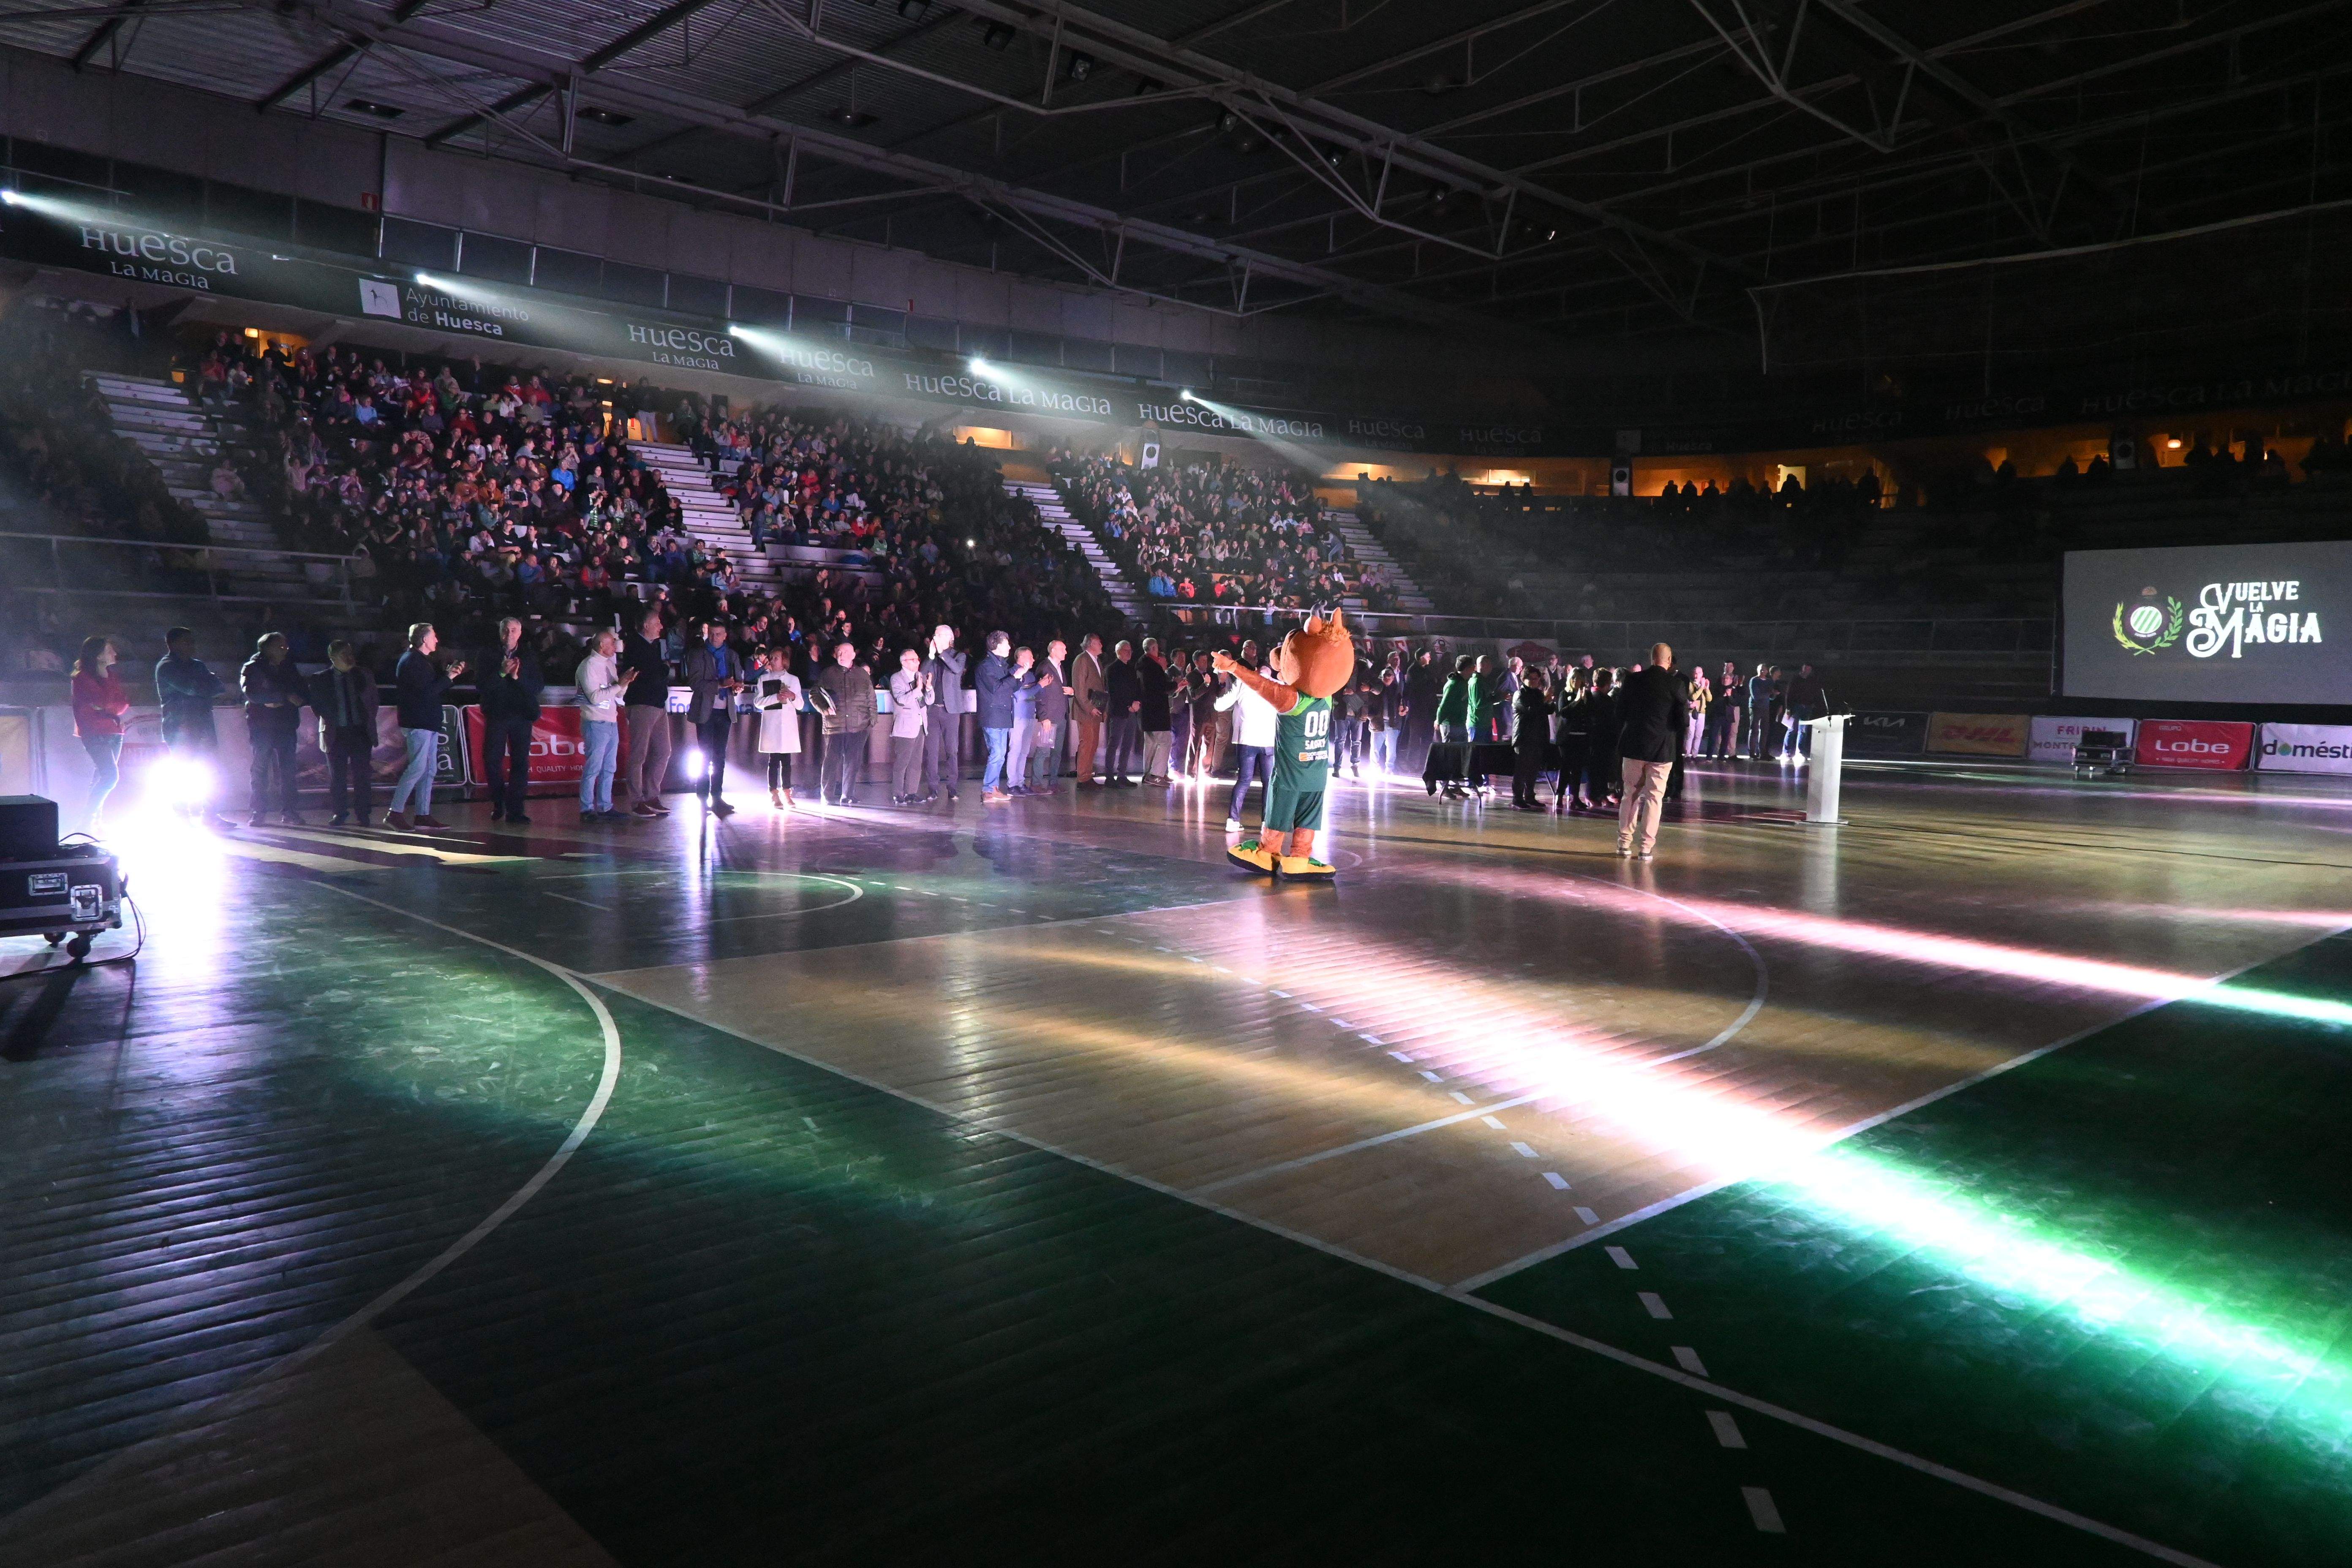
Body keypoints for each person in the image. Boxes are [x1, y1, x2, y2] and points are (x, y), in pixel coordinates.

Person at [1616, 642, 1690, 862]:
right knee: (1654, 799)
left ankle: (1623, 844)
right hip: (1662, 750)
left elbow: (1620, 713)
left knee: (1630, 795)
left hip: (1634, 747)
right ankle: (1646, 848)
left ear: (1651, 659)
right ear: (1668, 661)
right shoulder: (1675, 684)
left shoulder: (1633, 680)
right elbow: (1683, 721)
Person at [388, 622, 461, 830]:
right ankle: (395, 812)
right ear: (424, 639)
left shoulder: (419, 661)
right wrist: (448, 678)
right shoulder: (412, 661)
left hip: (426, 721)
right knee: (419, 767)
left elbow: (428, 689)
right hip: (418, 722)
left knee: (429, 769)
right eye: (434, 636)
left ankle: (423, 814)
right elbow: (425, 692)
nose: (437, 640)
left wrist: (448, 676)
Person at [154, 626, 229, 825]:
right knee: (183, 771)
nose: (192, 646)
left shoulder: (198, 665)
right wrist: (206, 686)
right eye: (187, 642)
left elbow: (218, 686)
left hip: (203, 724)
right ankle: (181, 815)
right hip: (180, 727)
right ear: (172, 644)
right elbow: (193, 688)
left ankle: (211, 815)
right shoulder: (167, 667)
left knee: (211, 770)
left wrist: (204, 687)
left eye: (193, 641)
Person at [477, 616, 545, 825]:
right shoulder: (488, 654)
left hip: (522, 714)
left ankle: (516, 809)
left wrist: (517, 677)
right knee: (491, 760)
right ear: (500, 632)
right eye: (506, 630)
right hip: (497, 714)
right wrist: (501, 673)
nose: (510, 634)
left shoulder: (529, 655)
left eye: (514, 630)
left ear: (520, 633)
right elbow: (481, 686)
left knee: (520, 763)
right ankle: (499, 801)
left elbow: (537, 687)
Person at [240, 631, 308, 827]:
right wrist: (284, 697)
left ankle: (290, 812)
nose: (285, 649)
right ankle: (258, 813)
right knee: (260, 770)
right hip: (262, 727)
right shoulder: (252, 668)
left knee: (288, 771)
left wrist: (288, 699)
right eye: (280, 646)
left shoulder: (289, 667)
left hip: (286, 725)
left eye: (286, 645)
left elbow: (302, 692)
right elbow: (252, 694)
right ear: (266, 648)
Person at [310, 639, 379, 827]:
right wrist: (331, 721)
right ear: (332, 658)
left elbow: (373, 701)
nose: (350, 658)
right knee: (337, 777)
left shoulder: (364, 674)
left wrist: (368, 721)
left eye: (351, 653)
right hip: (336, 733)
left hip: (360, 732)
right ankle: (340, 813)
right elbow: (317, 707)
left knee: (362, 776)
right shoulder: (320, 679)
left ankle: (363, 813)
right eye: (344, 655)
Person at [683, 619, 746, 817]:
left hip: (725, 711)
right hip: (706, 711)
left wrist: (737, 687)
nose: (714, 637)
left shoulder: (732, 655)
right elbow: (695, 683)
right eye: (711, 634)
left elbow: (738, 681)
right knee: (705, 756)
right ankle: (702, 798)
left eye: (718, 634)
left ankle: (717, 797)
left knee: (720, 757)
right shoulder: (698, 655)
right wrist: (721, 685)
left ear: (725, 635)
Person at [69, 636, 128, 833]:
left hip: (113, 731)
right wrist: (106, 706)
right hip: (95, 732)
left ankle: (94, 822)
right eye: (110, 650)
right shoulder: (82, 678)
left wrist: (105, 707)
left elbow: (122, 705)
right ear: (98, 655)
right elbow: (103, 701)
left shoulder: (111, 675)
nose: (115, 654)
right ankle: (86, 822)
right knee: (110, 776)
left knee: (102, 777)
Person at [621, 608, 674, 818]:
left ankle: (652, 795)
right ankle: (636, 801)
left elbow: (657, 672)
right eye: (657, 623)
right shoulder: (636, 646)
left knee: (664, 750)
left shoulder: (652, 647)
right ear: (646, 625)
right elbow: (649, 674)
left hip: (658, 704)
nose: (661, 626)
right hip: (642, 704)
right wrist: (663, 670)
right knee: (639, 753)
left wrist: (661, 670)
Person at [1216, 653, 1278, 830]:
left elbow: (1219, 706)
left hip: (1246, 740)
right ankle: (1267, 822)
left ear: (1256, 670)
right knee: (1269, 782)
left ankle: (1233, 820)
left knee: (1244, 780)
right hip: (1268, 741)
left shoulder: (1243, 683)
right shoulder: (1277, 686)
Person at [575, 628, 630, 821]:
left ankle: (606, 807)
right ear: (602, 646)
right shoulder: (589, 666)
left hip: (610, 720)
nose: (616, 647)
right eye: (612, 643)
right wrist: (619, 685)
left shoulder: (609, 665)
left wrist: (625, 683)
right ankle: (587, 809)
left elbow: (618, 695)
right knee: (594, 767)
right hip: (595, 721)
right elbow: (595, 697)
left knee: (609, 767)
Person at [812, 639, 874, 806]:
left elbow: (871, 698)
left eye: (845, 652)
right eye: (839, 652)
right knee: (831, 762)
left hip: (859, 727)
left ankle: (848, 795)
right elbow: (814, 694)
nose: (841, 655)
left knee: (853, 764)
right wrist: (824, 709)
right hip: (835, 726)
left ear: (853, 655)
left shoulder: (862, 674)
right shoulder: (828, 674)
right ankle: (827, 795)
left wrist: (871, 722)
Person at [753, 647, 804, 810]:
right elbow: (758, 702)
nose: (773, 660)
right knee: (773, 760)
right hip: (772, 724)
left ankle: (787, 792)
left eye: (777, 658)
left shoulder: (794, 680)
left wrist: (792, 696)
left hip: (788, 725)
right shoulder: (764, 679)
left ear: (784, 661)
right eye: (772, 657)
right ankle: (773, 792)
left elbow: (801, 705)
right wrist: (775, 697)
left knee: (787, 761)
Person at [921, 625, 967, 801]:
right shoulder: (932, 657)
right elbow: (921, 673)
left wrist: (941, 653)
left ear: (948, 638)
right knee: (931, 751)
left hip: (951, 710)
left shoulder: (958, 656)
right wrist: (932, 655)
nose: (934, 637)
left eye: (937, 635)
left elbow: (956, 670)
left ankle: (952, 787)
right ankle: (933, 788)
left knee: (952, 750)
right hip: (932, 710)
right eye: (934, 635)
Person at [975, 630, 1019, 803]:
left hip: (1002, 715)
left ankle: (993, 788)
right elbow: (997, 687)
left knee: (1000, 754)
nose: (1009, 647)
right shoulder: (986, 666)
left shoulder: (1002, 665)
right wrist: (1014, 676)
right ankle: (988, 789)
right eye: (1007, 644)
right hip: (992, 715)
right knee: (997, 753)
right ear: (998, 646)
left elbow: (1011, 688)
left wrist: (1019, 679)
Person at [887, 646, 931, 805]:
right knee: (902, 763)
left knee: (916, 763)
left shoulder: (921, 676)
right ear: (904, 662)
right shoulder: (897, 678)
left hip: (920, 724)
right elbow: (901, 699)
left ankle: (912, 792)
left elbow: (929, 700)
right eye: (913, 660)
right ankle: (898, 794)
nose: (917, 662)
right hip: (905, 726)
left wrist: (929, 688)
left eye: (918, 659)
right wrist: (918, 689)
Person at [1027, 639, 1069, 795]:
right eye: (1063, 649)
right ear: (1053, 651)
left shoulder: (1059, 667)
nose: (1066, 652)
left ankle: (1053, 782)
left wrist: (1070, 692)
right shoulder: (1045, 667)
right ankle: (1036, 784)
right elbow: (1039, 693)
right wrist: (1043, 716)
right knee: (1043, 751)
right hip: (1049, 718)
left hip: (1060, 715)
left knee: (1057, 752)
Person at [1511, 669, 1553, 810]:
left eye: (1537, 679)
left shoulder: (1538, 693)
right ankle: (1517, 798)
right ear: (1524, 679)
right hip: (1524, 737)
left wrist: (1549, 701)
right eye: (1532, 679)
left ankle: (1530, 796)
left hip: (1538, 737)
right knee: (1522, 770)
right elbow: (1530, 710)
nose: (1535, 682)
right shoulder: (1520, 694)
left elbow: (1547, 710)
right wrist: (1544, 700)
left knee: (1533, 770)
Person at [1102, 638, 1142, 787]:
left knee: (1127, 744)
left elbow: (1137, 688)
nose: (1130, 652)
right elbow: (1114, 692)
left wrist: (1137, 702)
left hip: (1131, 711)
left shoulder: (1131, 669)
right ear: (1119, 652)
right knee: (1114, 744)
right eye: (1126, 650)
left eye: (1131, 650)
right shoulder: (1111, 669)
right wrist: (1129, 705)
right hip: (1119, 712)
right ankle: (1109, 776)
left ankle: (1122, 775)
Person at [1070, 632, 1108, 785]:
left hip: (1095, 710)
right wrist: (1089, 707)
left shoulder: (1096, 661)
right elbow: (1079, 688)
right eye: (1099, 642)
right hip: (1086, 711)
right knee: (1087, 743)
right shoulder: (1082, 660)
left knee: (1093, 743)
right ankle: (1083, 778)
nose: (1101, 645)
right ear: (1091, 643)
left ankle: (1087, 775)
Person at [1137, 640, 1174, 786]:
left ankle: (1148, 774)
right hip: (1157, 712)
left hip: (1147, 713)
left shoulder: (1141, 664)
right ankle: (1156, 775)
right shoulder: (1153, 666)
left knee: (1151, 744)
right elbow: (1161, 687)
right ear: (1154, 648)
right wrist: (1177, 684)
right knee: (1165, 741)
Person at [1783, 662, 1829, 761]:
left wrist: (1814, 704)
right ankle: (1786, 752)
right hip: (1796, 707)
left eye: (1809, 670)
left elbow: (1816, 694)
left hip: (1807, 707)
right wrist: (1788, 709)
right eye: (1806, 669)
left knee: (1803, 731)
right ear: (1802, 669)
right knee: (1792, 729)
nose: (1807, 671)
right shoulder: (1795, 679)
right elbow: (1789, 694)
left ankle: (1800, 752)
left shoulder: (1812, 681)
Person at [1703, 660, 1741, 759]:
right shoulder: (1717, 688)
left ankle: (1722, 756)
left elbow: (1735, 703)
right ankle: (1709, 757)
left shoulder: (1733, 690)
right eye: (1724, 678)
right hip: (1717, 716)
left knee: (1726, 737)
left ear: (1731, 680)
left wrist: (1729, 696)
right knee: (1713, 736)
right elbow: (1712, 701)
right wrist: (1723, 696)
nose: (1725, 679)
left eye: (1727, 678)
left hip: (1727, 716)